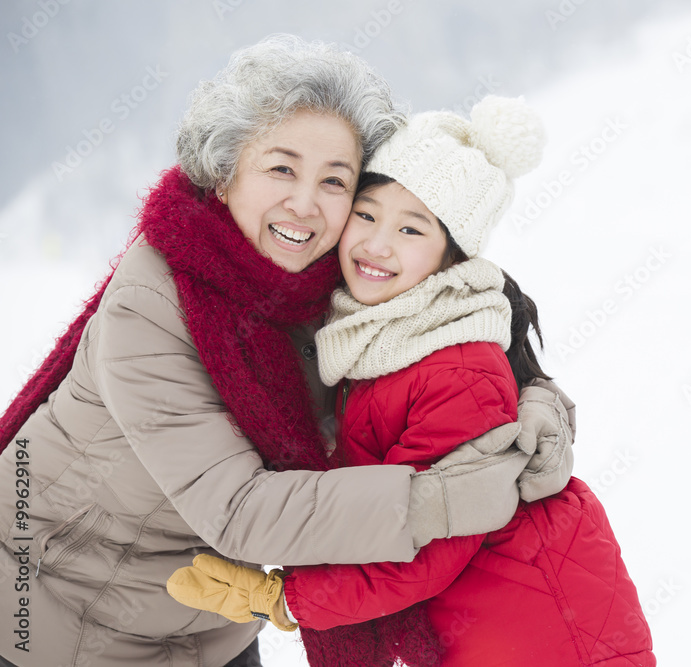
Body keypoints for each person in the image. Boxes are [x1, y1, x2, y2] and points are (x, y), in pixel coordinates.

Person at [0, 37, 573, 667]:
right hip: (52, 615)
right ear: (223, 173)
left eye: (335, 180)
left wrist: (530, 407)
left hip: (208, 624)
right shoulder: (152, 305)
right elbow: (243, 510)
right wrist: (445, 499)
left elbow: (451, 331)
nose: (305, 204)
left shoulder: (339, 275)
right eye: (281, 168)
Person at [168, 96, 653, 666]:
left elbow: (426, 542)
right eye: (367, 215)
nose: (376, 244)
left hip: (544, 637)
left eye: (411, 229)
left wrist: (282, 599)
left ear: (451, 257)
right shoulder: (374, 335)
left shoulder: (456, 368)